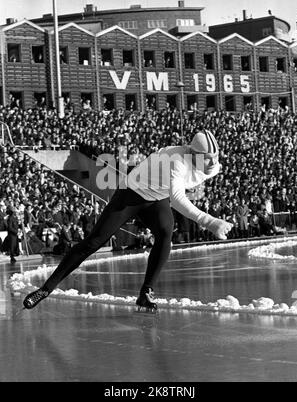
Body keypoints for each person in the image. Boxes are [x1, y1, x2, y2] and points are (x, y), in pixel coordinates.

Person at [23, 129, 233, 311]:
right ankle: (45, 289)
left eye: (214, 158)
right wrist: (209, 221)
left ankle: (146, 292)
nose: (211, 163)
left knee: (165, 234)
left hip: (157, 197)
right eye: (206, 158)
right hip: (131, 194)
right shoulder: (176, 160)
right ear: (191, 153)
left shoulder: (212, 166)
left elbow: (181, 189)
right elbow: (177, 199)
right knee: (95, 241)